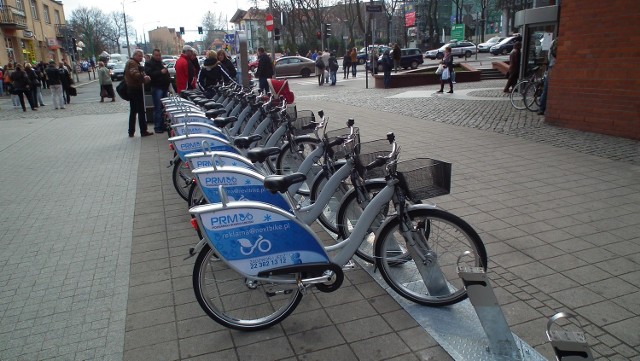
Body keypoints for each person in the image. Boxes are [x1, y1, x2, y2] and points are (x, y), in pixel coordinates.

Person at [124, 49, 153, 137]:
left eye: (142, 56)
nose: (142, 57)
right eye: (140, 56)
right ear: (135, 55)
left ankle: (131, 131)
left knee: (133, 111)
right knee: (140, 110)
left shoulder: (132, 62)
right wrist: (144, 78)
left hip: (132, 88)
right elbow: (134, 74)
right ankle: (143, 131)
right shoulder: (133, 63)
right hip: (135, 89)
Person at [144, 49, 171, 133]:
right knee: (158, 107)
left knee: (164, 108)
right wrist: (160, 72)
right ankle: (157, 126)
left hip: (164, 87)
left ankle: (163, 125)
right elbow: (150, 74)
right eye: (156, 55)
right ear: (153, 55)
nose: (158, 57)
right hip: (156, 87)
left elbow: (165, 73)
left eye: (159, 55)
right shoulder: (149, 63)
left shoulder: (161, 62)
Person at [538, 38, 557, 115]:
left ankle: (541, 108)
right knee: (547, 89)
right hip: (554, 66)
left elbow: (549, 56)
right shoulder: (557, 42)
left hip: (551, 65)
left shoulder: (553, 42)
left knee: (546, 89)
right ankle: (543, 108)